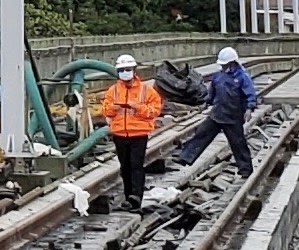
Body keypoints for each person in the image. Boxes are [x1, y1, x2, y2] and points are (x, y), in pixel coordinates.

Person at [177, 46, 258, 177]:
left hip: (233, 116)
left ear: (232, 63)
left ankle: (245, 169)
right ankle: (185, 157)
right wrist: (205, 103)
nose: (223, 66)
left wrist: (249, 108)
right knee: (201, 133)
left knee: (238, 143)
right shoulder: (218, 76)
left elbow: (250, 94)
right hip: (217, 113)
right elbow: (212, 93)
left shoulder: (242, 77)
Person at [100, 53, 163, 211]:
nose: (125, 72)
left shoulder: (146, 91)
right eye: (122, 70)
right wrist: (113, 108)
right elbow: (106, 110)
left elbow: (154, 110)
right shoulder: (113, 91)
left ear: (134, 70)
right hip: (120, 134)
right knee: (125, 166)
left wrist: (137, 106)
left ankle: (136, 197)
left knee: (136, 166)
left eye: (128, 69)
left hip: (139, 134)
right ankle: (129, 196)